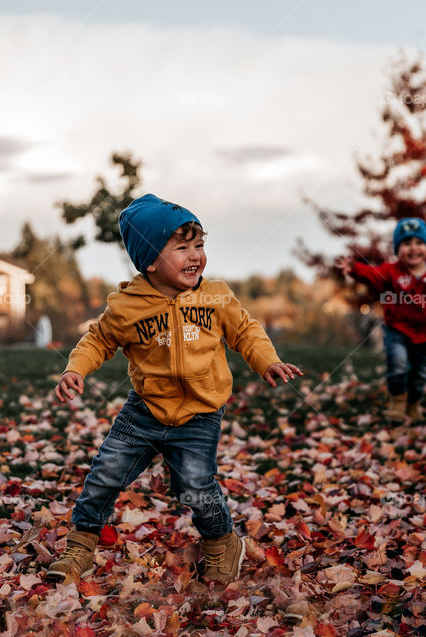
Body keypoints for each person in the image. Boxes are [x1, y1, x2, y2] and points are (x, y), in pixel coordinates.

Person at [47, 194, 303, 585]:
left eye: (199, 244)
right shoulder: (127, 306)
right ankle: (80, 545)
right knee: (105, 474)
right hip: (145, 410)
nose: (195, 255)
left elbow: (246, 331)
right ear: (149, 261)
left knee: (194, 486)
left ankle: (221, 542)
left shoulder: (215, 296)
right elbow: (98, 340)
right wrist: (74, 369)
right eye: (181, 247)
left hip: (200, 414)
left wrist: (267, 361)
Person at [337, 217, 426, 422]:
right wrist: (355, 269)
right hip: (396, 331)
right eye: (406, 243)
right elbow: (373, 274)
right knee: (398, 364)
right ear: (398, 248)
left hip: (423, 335)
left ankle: (413, 404)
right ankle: (397, 403)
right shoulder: (392, 271)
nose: (413, 248)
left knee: (420, 374)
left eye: (419, 243)